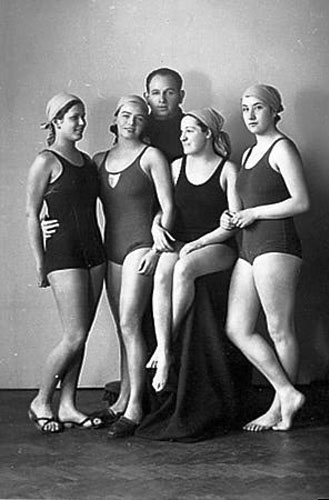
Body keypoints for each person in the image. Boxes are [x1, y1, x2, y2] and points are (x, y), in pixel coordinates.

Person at [221, 84, 310, 431]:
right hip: (248, 246)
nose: (251, 115)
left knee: (278, 329)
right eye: (245, 109)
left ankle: (280, 408)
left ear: (274, 111)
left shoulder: (282, 148)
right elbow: (241, 207)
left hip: (278, 244)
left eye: (258, 108)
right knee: (237, 328)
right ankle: (287, 392)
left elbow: (301, 201)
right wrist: (231, 217)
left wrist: (255, 213)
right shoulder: (245, 155)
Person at [91, 95, 174, 438]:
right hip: (111, 250)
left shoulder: (152, 156)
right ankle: (123, 398)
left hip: (140, 248)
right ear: (116, 119)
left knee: (129, 322)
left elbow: (169, 206)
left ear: (146, 124)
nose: (131, 123)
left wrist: (156, 245)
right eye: (126, 116)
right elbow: (73, 200)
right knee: (123, 328)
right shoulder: (98, 160)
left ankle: (136, 407)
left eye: (139, 118)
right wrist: (47, 219)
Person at [26, 92, 106, 433]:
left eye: (83, 116)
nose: (82, 123)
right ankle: (42, 400)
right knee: (73, 335)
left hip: (94, 251)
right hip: (63, 252)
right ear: (56, 121)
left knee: (82, 334)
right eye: (74, 117)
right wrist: (40, 262)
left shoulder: (88, 162)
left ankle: (69, 405)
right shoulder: (46, 160)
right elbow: (32, 213)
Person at [146, 108, 239, 393]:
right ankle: (164, 351)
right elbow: (163, 210)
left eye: (190, 130)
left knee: (183, 268)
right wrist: (155, 229)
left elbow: (233, 224)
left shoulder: (227, 169)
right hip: (181, 241)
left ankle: (165, 348)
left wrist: (198, 244)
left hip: (217, 246)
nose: (182, 136)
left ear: (208, 133)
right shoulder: (175, 167)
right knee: (163, 270)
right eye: (181, 131)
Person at [144, 67, 185, 164]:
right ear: (147, 97)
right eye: (156, 93)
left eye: (170, 93)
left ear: (181, 96)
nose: (162, 99)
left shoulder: (194, 128)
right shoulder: (137, 128)